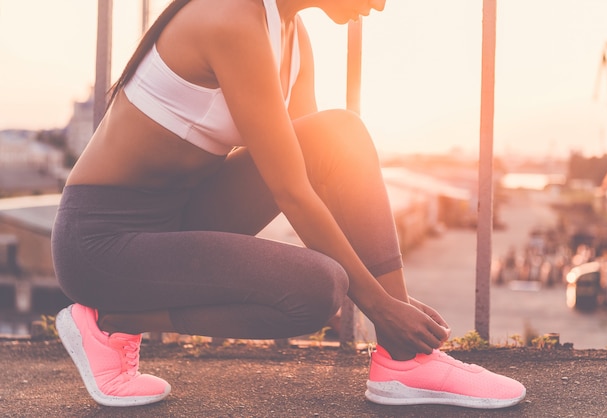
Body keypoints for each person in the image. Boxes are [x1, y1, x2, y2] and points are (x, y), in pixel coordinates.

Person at [52, 0, 526, 409]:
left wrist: (391, 301)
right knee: (317, 289)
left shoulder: (290, 34)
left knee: (341, 133)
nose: (381, 5)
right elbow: (291, 192)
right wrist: (378, 303)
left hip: (180, 217)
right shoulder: (231, 18)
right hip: (102, 242)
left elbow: (320, 173)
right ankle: (108, 320)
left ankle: (404, 360)